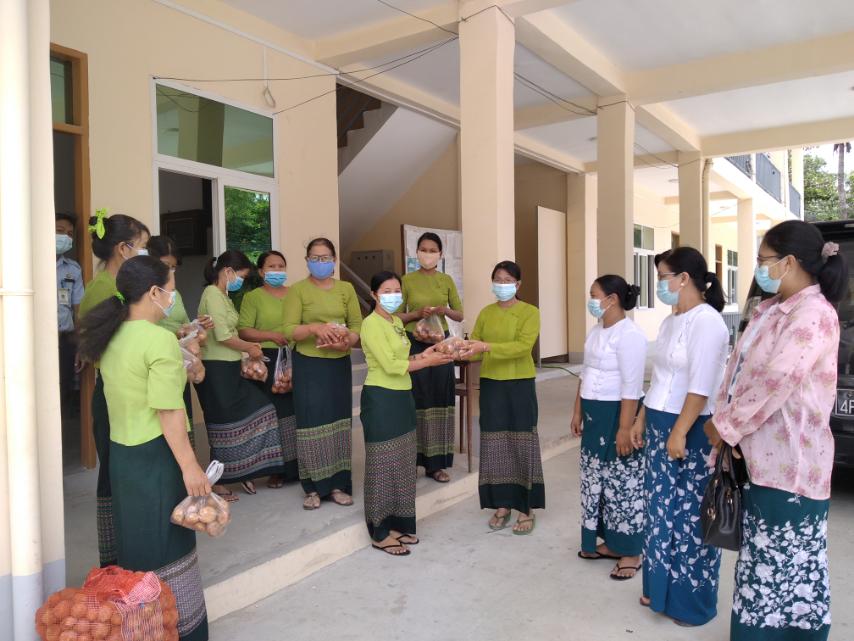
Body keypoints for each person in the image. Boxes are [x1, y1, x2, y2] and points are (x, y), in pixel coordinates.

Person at [704, 221, 846, 641]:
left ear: (789, 262)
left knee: (784, 567)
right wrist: (725, 419)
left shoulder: (813, 315)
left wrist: (724, 426)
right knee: (761, 563)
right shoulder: (771, 309)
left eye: (764, 260)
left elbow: (775, 381)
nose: (759, 268)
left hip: (791, 467)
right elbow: (740, 371)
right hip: (759, 459)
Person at [77, 255, 209, 641]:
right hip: (156, 456)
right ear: (153, 292)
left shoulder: (111, 336)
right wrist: (190, 466)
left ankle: (141, 627)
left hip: (123, 456)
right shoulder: (158, 340)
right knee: (168, 543)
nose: (172, 297)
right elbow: (168, 411)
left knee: (135, 541)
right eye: (170, 290)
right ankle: (177, 629)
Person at [630, 246, 729, 627]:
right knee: (660, 511)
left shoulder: (708, 322)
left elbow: (701, 386)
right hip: (660, 420)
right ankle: (659, 591)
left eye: (663, 277)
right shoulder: (671, 321)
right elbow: (660, 378)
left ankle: (690, 603)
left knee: (689, 516)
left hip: (690, 429)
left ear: (684, 278)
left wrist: (679, 432)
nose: (659, 285)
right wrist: (641, 418)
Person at [360, 271, 454, 555]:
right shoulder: (371, 324)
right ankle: (380, 532)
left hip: (403, 396)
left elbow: (403, 358)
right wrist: (428, 363)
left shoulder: (397, 323)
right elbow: (390, 366)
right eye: (386, 291)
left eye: (396, 291)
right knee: (382, 463)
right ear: (374, 295)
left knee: (402, 463)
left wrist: (426, 354)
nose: (393, 296)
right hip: (381, 398)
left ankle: (399, 524)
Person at [78, 210, 150, 567]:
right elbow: (101, 347)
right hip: (115, 393)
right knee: (115, 472)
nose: (144, 253)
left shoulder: (120, 285)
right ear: (124, 248)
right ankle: (118, 556)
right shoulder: (105, 290)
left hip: (130, 390)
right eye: (141, 246)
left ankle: (136, 546)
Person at [194, 250, 286, 499]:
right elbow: (223, 336)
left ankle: (243, 471)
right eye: (241, 277)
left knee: (260, 411)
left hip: (229, 366)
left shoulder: (223, 295)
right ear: (228, 272)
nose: (241, 282)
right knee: (222, 425)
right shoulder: (212, 294)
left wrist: (245, 353)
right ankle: (218, 481)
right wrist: (251, 348)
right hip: (216, 368)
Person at [460, 261, 544, 535]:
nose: (502, 284)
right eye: (498, 279)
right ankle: (502, 504)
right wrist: (458, 349)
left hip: (519, 384)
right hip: (492, 384)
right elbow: (475, 346)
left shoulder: (530, 312)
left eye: (508, 280)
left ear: (518, 284)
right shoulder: (486, 312)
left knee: (522, 441)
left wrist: (485, 346)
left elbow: (522, 347)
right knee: (494, 442)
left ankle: (526, 507)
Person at [572, 275, 647, 580]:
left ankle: (631, 551)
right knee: (594, 480)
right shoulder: (596, 330)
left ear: (612, 299)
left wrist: (625, 428)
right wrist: (577, 411)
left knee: (622, 484)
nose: (590, 300)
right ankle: (610, 543)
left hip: (618, 414)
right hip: (594, 415)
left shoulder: (630, 335)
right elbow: (585, 373)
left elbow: (631, 386)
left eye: (594, 295)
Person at [283, 238, 362, 510]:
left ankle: (339, 485)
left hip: (338, 364)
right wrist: (314, 328)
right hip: (309, 365)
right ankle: (313, 488)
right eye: (315, 258)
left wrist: (346, 340)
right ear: (307, 261)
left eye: (325, 257)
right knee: (312, 422)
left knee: (338, 422)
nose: (320, 263)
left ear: (334, 260)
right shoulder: (298, 290)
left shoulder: (346, 289)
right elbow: (288, 330)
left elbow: (357, 326)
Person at [397, 232, 463, 483]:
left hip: (440, 344)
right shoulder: (407, 280)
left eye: (432, 250)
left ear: (440, 254)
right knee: (415, 400)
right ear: (416, 253)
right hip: (414, 342)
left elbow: (460, 314)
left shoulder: (446, 280)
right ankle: (412, 461)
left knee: (439, 398)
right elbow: (396, 316)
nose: (428, 254)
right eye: (423, 249)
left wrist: (444, 310)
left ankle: (436, 465)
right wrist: (416, 314)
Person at [238, 250, 299, 487]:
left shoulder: (295, 293)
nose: (277, 271)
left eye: (281, 266)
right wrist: (271, 336)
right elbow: (244, 330)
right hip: (268, 360)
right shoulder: (253, 297)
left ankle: (298, 467)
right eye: (272, 267)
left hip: (296, 357)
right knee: (276, 414)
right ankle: (277, 469)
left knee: (296, 411)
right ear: (261, 271)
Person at [56, 212, 84, 418]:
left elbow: (78, 309)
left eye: (70, 234)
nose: (65, 237)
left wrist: (80, 345)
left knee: (63, 390)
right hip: (34, 339)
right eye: (59, 231)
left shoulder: (72, 269)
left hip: (64, 339)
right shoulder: (27, 263)